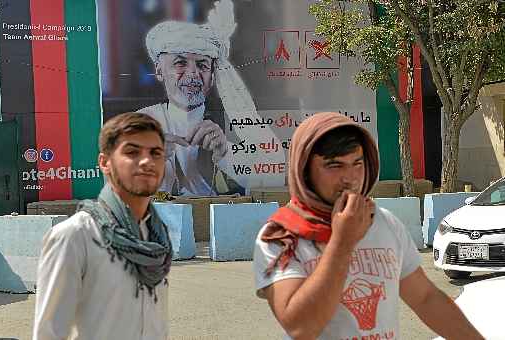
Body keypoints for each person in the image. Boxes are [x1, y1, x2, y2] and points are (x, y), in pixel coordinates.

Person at [253, 112, 483, 339]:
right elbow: (301, 328)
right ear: (304, 171)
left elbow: (425, 298)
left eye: (357, 163)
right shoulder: (279, 237)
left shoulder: (385, 223)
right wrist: (343, 241)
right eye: (334, 165)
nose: (350, 178)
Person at [33, 113, 172, 340]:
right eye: (132, 152)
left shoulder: (156, 237)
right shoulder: (75, 236)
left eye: (155, 153)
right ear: (105, 163)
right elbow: (49, 334)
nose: (147, 161)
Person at [139, 0, 285, 196]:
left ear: (212, 74)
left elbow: (273, 176)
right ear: (159, 70)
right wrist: (149, 158)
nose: (193, 74)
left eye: (202, 65)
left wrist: (225, 153)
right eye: (180, 63)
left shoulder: (234, 121)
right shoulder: (143, 122)